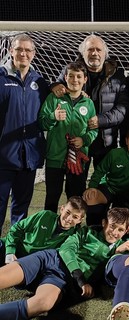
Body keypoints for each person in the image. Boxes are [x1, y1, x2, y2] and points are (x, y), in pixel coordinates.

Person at [0, 207, 129, 319]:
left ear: (126, 231)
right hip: (50, 259)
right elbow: (66, 249)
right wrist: (80, 279)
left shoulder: (121, 251)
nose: (114, 232)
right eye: (112, 226)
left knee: (43, 303)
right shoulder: (86, 232)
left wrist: (116, 253)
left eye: (120, 230)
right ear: (104, 223)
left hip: (60, 279)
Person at [51, 34, 129, 170]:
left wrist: (101, 120)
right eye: (90, 49)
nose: (94, 53)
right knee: (75, 185)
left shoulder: (117, 75)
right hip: (76, 141)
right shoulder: (70, 70)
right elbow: (56, 88)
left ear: (105, 53)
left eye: (98, 50)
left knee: (103, 185)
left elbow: (123, 108)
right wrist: (52, 86)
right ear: (82, 53)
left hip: (105, 142)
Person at [0, 34, 49, 235]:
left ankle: (12, 248)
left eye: (28, 50)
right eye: (19, 49)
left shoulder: (40, 82)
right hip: (3, 157)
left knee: (21, 208)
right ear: (11, 51)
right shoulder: (1, 78)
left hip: (29, 157)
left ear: (34, 54)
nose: (23, 53)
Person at [39, 62, 98, 212]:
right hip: (55, 157)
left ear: (85, 79)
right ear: (65, 77)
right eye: (71, 76)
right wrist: (53, 116)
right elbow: (42, 122)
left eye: (79, 76)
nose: (75, 80)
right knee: (52, 196)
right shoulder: (54, 98)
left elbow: (93, 130)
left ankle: (74, 231)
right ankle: (49, 229)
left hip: (77, 159)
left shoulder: (89, 103)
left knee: (76, 198)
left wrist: (84, 140)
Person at [83, 127, 129, 226]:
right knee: (90, 197)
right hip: (110, 188)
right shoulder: (115, 154)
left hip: (127, 195)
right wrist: (92, 186)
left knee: (121, 221)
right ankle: (93, 229)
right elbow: (100, 170)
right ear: (126, 141)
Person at [0, 196, 86, 266]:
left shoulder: (74, 237)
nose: (68, 219)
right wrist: (10, 252)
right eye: (67, 212)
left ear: (80, 220)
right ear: (62, 209)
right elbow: (17, 228)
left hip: (30, 264)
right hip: (13, 247)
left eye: (75, 217)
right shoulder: (45, 215)